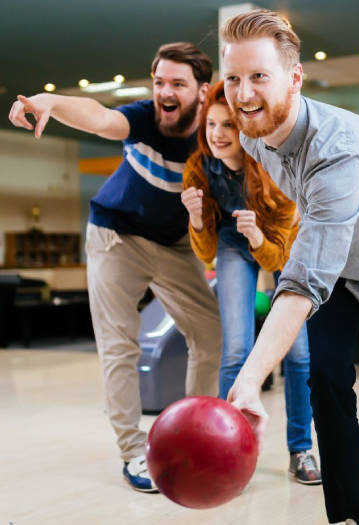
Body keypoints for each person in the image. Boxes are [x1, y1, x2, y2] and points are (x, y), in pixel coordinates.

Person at [218, 9, 359, 525]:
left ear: (295, 78)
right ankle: (350, 514)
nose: (244, 93)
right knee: (326, 377)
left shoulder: (336, 154)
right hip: (341, 271)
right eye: (233, 78)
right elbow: (313, 267)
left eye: (258, 77)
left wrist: (250, 378)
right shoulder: (255, 131)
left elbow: (301, 282)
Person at [7, 42, 223, 493]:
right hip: (114, 237)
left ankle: (194, 434)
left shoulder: (215, 131)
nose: (165, 91)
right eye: (159, 81)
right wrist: (50, 102)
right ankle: (134, 452)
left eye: (178, 84)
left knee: (210, 335)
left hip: (174, 244)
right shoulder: (144, 117)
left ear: (202, 92)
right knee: (120, 346)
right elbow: (99, 115)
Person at [180, 80, 321, 485]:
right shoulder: (200, 167)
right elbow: (205, 251)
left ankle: (301, 449)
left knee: (297, 352)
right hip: (230, 239)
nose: (218, 135)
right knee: (236, 348)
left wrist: (259, 237)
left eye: (227, 125)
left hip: (284, 242)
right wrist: (194, 217)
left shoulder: (273, 169)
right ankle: (233, 450)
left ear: (244, 126)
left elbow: (278, 256)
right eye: (211, 125)